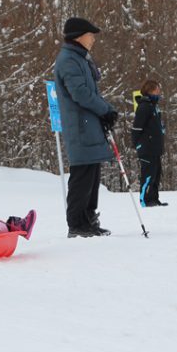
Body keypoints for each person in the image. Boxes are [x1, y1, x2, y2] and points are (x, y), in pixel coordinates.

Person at [54, 17, 118, 238]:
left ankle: (89, 218)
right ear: (79, 36)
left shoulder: (79, 58)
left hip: (89, 123)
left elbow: (90, 92)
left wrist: (105, 111)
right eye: (91, 35)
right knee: (82, 173)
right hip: (80, 125)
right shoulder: (68, 60)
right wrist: (104, 110)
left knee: (92, 171)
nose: (93, 39)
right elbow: (80, 93)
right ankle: (77, 223)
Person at [131, 80, 167, 207]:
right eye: (157, 90)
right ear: (150, 91)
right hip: (147, 148)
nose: (159, 92)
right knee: (148, 175)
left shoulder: (154, 106)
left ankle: (154, 199)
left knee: (156, 175)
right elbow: (136, 128)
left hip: (155, 148)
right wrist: (138, 145)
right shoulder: (144, 106)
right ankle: (145, 200)